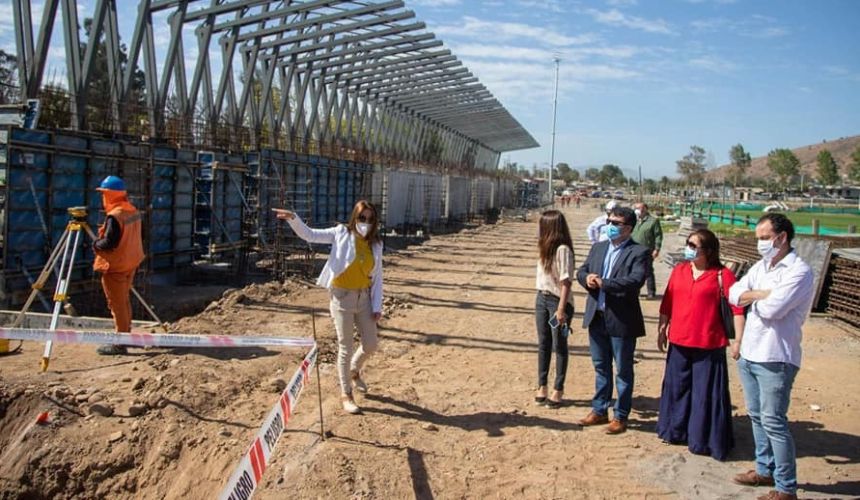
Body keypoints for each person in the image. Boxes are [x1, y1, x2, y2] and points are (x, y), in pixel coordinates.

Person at [728, 214, 813, 500]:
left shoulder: (799, 271)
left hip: (776, 356)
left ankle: (786, 487)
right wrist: (759, 294)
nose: (760, 243)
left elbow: (773, 309)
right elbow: (732, 293)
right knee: (756, 416)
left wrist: (752, 298)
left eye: (765, 238)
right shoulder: (761, 266)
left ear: (782, 237)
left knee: (774, 420)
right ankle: (764, 469)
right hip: (750, 352)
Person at [275, 201, 383, 415]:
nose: (366, 223)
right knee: (346, 346)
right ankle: (346, 394)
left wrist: (377, 304)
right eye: (362, 218)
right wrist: (293, 219)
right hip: (342, 298)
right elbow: (310, 235)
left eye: (370, 220)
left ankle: (354, 368)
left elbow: (378, 277)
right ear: (355, 218)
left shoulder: (376, 244)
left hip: (364, 299)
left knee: (370, 344)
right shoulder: (341, 233)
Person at [656, 229, 745, 461]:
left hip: (709, 343)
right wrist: (662, 328)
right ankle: (674, 430)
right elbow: (668, 302)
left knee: (704, 394)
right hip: (679, 340)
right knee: (677, 389)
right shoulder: (680, 271)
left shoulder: (722, 275)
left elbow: (737, 309)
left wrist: (738, 341)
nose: (689, 249)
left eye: (694, 246)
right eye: (688, 244)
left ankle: (702, 438)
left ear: (708, 250)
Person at [575, 206, 650, 434]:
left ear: (627, 228)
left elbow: (635, 281)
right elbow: (582, 271)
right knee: (601, 367)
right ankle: (599, 410)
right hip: (597, 317)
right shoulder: (598, 248)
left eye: (615, 223)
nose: (610, 225)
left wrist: (605, 283)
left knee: (623, 370)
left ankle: (620, 415)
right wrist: (586, 278)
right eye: (609, 221)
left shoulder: (639, 252)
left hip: (621, 319)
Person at [93, 176, 145, 356]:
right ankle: (125, 335)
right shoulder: (132, 210)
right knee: (123, 301)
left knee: (117, 304)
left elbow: (109, 242)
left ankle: (120, 342)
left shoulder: (115, 216)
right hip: (130, 262)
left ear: (109, 195)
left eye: (104, 194)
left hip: (116, 266)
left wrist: (94, 245)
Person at [534, 210, 575, 409]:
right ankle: (542, 385)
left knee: (559, 345)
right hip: (541, 298)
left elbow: (566, 282)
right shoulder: (544, 247)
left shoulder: (562, 250)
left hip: (558, 302)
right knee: (543, 343)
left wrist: (561, 310)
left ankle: (558, 388)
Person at [631, 202, 663, 299]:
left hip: (647, 250)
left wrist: (657, 249)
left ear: (645, 209)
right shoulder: (634, 220)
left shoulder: (653, 221)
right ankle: (635, 291)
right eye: (635, 207)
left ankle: (651, 292)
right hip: (633, 250)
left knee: (647, 271)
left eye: (638, 208)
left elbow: (658, 236)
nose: (636, 209)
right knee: (634, 271)